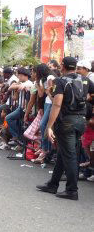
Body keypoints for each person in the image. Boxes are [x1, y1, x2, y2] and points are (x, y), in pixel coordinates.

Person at [37, 57, 87, 200]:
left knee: (70, 156)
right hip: (81, 121)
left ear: (63, 66)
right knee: (63, 153)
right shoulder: (84, 80)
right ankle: (53, 184)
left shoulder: (61, 81)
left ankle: (72, 190)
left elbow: (57, 104)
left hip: (67, 122)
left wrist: (49, 126)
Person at [4, 67, 34, 142]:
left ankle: (17, 137)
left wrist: (18, 85)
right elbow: (11, 88)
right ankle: (18, 138)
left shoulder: (28, 83)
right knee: (16, 122)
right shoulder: (23, 83)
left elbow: (14, 87)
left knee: (9, 118)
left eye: (20, 75)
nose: (18, 77)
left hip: (24, 108)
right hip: (20, 107)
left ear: (25, 75)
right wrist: (18, 84)